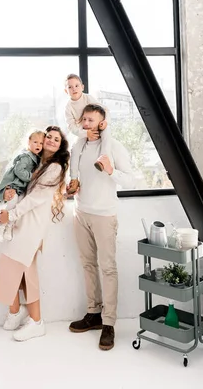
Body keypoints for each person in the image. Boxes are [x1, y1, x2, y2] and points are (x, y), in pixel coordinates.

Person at [0, 126, 69, 342]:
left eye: (56, 139)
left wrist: (11, 215)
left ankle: (35, 321)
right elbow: (24, 192)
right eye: (48, 137)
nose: (50, 140)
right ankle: (18, 313)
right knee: (19, 273)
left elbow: (36, 199)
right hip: (24, 225)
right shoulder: (38, 164)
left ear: (61, 145)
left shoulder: (55, 168)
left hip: (32, 227)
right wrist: (10, 192)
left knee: (22, 273)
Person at [69, 104, 135, 351]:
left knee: (108, 268)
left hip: (105, 216)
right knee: (88, 264)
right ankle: (93, 313)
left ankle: (109, 323)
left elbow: (131, 180)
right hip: (80, 212)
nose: (86, 123)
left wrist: (111, 171)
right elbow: (76, 174)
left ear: (102, 123)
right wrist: (72, 187)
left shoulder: (114, 147)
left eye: (91, 120)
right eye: (84, 119)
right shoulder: (78, 146)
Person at [64, 73, 112, 194]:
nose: (74, 89)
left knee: (107, 134)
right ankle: (74, 179)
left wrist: (105, 122)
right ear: (66, 91)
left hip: (96, 125)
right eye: (70, 87)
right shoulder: (68, 107)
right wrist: (86, 134)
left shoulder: (88, 98)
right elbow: (72, 127)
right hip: (82, 131)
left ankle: (102, 159)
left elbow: (104, 109)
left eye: (76, 85)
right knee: (74, 150)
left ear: (82, 87)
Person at [0, 130, 45, 242]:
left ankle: (9, 227)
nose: (38, 145)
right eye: (35, 142)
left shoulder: (36, 157)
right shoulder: (25, 156)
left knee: (18, 205)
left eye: (41, 143)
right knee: (13, 201)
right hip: (14, 184)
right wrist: (31, 176)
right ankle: (1, 226)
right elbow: (18, 170)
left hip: (21, 187)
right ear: (29, 142)